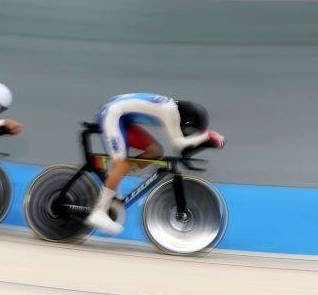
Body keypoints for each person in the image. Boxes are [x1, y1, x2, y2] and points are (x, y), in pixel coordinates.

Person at [86, 93, 225, 235]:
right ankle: (98, 211)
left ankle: (115, 178)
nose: (186, 133)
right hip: (112, 115)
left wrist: (204, 140)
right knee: (121, 165)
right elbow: (179, 143)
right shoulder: (170, 111)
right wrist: (208, 136)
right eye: (188, 131)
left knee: (155, 151)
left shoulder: (171, 108)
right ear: (187, 122)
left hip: (121, 115)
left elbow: (183, 147)